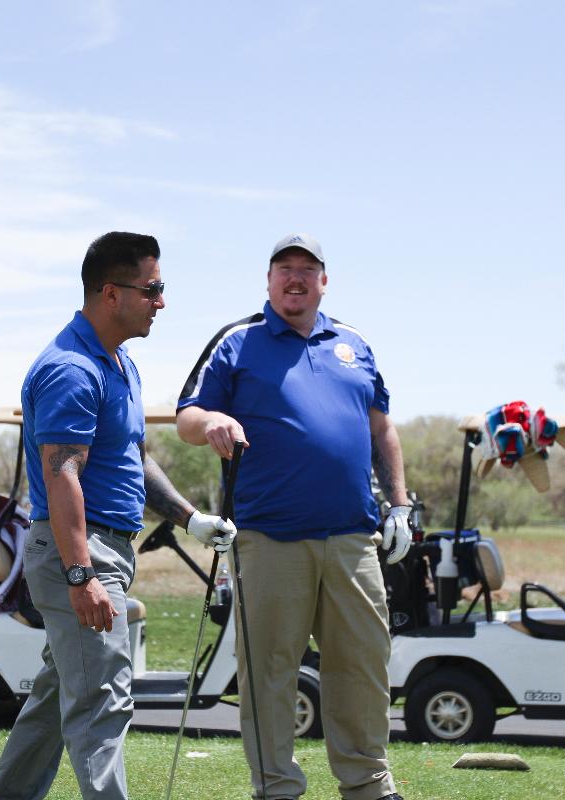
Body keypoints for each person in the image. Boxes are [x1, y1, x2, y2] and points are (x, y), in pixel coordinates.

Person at [0, 232, 236, 800]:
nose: (161, 302)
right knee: (103, 701)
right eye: (153, 289)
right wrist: (82, 575)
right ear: (110, 293)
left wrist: (190, 518)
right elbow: (62, 476)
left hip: (104, 549)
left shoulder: (119, 364)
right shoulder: (72, 369)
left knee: (56, 702)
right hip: (83, 551)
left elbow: (135, 459)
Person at [176, 233, 411, 800]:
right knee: (269, 674)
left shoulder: (354, 343)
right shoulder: (238, 342)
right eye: (284, 269)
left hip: (354, 537)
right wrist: (211, 422)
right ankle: (277, 786)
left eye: (307, 269)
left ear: (324, 281)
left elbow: (382, 428)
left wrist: (401, 504)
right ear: (268, 280)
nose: (295, 278)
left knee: (362, 667)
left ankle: (368, 785)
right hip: (269, 538)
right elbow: (186, 415)